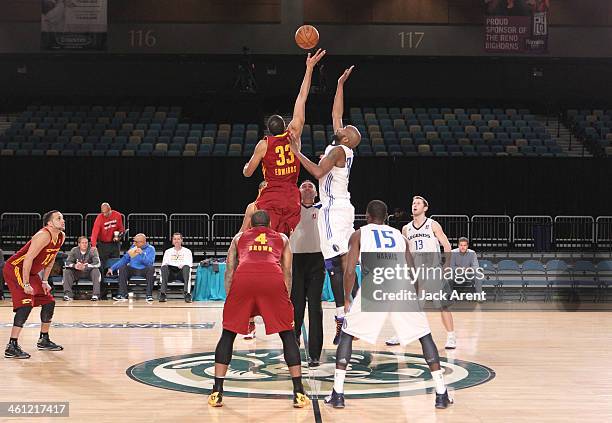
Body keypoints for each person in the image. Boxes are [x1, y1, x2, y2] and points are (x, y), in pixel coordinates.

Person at [324, 200, 452, 409]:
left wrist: (347, 298)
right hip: (401, 283)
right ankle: (441, 393)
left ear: (367, 216)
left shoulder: (359, 234)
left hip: (375, 283)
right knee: (424, 335)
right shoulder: (400, 237)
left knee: (347, 333)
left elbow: (348, 271)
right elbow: (412, 271)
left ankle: (337, 393)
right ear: (386, 217)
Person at [208, 210, 310, 409]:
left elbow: (229, 269)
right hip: (272, 279)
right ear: (270, 224)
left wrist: (232, 298)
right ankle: (298, 393)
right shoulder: (281, 238)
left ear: (251, 226)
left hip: (244, 279)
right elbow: (287, 271)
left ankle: (217, 392)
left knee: (228, 334)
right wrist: (285, 299)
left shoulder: (239, 238)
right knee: (287, 335)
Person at [289, 65, 361, 345]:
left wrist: (297, 153)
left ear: (346, 138)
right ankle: (348, 316)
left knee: (333, 264)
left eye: (344, 129)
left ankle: (343, 319)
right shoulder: (342, 145)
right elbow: (336, 113)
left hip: (334, 208)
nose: (339, 126)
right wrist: (340, 84)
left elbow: (318, 173)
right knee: (342, 263)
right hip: (341, 207)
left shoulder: (340, 150)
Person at [242, 49, 326, 235]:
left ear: (268, 130)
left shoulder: (264, 145)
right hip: (291, 196)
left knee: (262, 232)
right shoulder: (294, 134)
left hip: (272, 195)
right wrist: (309, 69)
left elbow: (248, 174)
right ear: (285, 126)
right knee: (286, 240)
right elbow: (302, 98)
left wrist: (246, 166)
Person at [386, 196, 456, 349]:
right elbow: (406, 252)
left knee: (443, 306)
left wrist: (448, 264)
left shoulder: (432, 224)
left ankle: (451, 337)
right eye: (413, 203)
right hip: (416, 273)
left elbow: (446, 244)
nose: (414, 205)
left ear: (425, 208)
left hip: (433, 270)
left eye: (418, 203)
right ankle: (400, 334)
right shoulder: (406, 228)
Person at [3, 210, 65, 359]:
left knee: (49, 302)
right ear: (50, 223)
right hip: (15, 268)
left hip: (31, 272)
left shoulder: (61, 236)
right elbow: (28, 259)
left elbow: (51, 259)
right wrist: (25, 284)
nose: (63, 220)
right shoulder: (43, 235)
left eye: (62, 218)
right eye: (59, 218)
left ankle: (44, 339)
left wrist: (44, 281)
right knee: (26, 303)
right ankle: (12, 345)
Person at [290, 180, 325, 367]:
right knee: (295, 307)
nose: (307, 187)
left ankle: (315, 354)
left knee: (315, 307)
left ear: (317, 193)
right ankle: (293, 345)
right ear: (298, 192)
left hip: (317, 260)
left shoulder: (323, 208)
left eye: (311, 185)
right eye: (303, 185)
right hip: (295, 260)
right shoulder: (292, 208)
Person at [238, 180, 267, 339]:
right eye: (263, 188)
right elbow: (243, 230)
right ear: (259, 189)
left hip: (271, 252)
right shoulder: (252, 206)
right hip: (254, 253)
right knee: (250, 291)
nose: (266, 191)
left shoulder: (276, 205)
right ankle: (250, 323)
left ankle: (282, 322)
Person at [107, 233, 156, 302]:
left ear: (143, 242)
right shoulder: (133, 247)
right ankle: (123, 294)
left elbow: (149, 263)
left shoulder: (151, 249)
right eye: (134, 241)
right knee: (123, 268)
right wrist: (112, 268)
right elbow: (125, 259)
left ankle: (149, 295)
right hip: (133, 269)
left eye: (136, 242)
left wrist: (142, 254)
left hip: (144, 269)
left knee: (151, 268)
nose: (134, 243)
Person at [62, 236, 101, 301]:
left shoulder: (93, 250)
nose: (85, 244)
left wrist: (87, 265)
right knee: (67, 271)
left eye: (86, 243)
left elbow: (98, 263)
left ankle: (95, 295)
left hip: (89, 272)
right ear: (79, 244)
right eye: (83, 243)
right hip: (77, 272)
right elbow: (67, 263)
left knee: (96, 271)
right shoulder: (74, 250)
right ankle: (68, 295)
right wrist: (75, 266)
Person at [160, 232, 193, 303]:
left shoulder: (187, 251)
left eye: (178, 239)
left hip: (182, 272)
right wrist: (174, 264)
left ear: (181, 240)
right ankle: (163, 294)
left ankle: (187, 293)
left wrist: (182, 265)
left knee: (187, 268)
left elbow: (189, 263)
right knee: (164, 268)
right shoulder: (168, 251)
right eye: (175, 239)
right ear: (172, 240)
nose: (176, 241)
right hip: (170, 272)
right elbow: (164, 263)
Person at [91, 202, 124, 271]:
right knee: (102, 265)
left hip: (114, 244)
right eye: (103, 212)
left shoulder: (117, 215)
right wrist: (93, 246)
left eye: (106, 212)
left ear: (110, 209)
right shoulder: (99, 218)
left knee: (114, 264)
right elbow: (94, 233)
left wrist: (118, 236)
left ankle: (114, 280)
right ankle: (102, 281)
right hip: (103, 245)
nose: (105, 214)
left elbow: (121, 229)